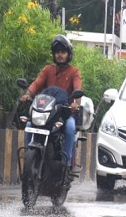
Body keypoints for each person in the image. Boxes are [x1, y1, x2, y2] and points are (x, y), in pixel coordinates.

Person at [20, 34, 82, 172]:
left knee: (71, 128)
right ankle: (28, 159)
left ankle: (65, 165)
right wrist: (27, 94)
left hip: (64, 114)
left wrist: (76, 103)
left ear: (68, 54)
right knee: (29, 124)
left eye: (63, 52)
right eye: (57, 52)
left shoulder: (74, 72)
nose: (60, 55)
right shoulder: (48, 69)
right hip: (46, 114)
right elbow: (36, 84)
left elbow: (78, 89)